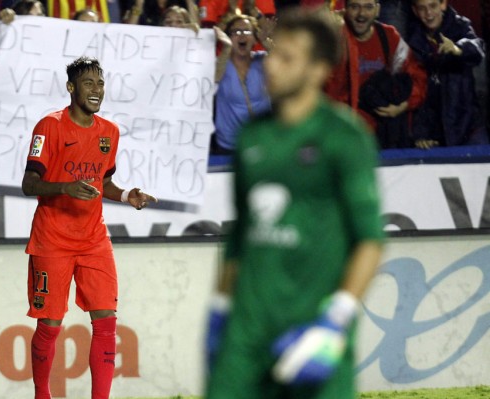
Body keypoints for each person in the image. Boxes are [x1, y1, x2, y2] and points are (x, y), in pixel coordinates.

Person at [205, 6, 384, 399]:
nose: (271, 66)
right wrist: (219, 310)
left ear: (319, 70)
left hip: (312, 333)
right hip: (246, 335)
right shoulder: (252, 138)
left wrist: (336, 321)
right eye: (273, 54)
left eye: (288, 58)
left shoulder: (345, 138)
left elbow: (370, 241)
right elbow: (241, 235)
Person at [21, 57, 157, 399]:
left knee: (107, 321)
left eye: (100, 84)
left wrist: (127, 194)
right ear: (71, 88)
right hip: (52, 240)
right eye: (88, 84)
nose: (96, 91)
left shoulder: (109, 133)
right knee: (50, 325)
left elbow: (103, 182)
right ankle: (42, 395)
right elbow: (28, 183)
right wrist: (65, 187)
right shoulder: (48, 127)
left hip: (94, 239)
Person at [325, 0, 427, 148]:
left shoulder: (389, 37)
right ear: (345, 9)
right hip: (342, 138)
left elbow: (418, 78)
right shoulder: (334, 39)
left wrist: (403, 106)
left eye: (368, 7)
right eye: (354, 7)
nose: (361, 14)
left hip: (383, 138)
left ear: (378, 10)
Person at [407, 0, 488, 148]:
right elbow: (418, 94)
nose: (429, 13)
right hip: (435, 134)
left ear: (443, 4)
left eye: (432, 6)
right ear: (414, 10)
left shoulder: (459, 26)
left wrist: (458, 50)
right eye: (422, 8)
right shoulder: (412, 40)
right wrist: (421, 135)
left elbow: (477, 48)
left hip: (469, 127)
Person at [211, 14, 271, 154]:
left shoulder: (264, 60)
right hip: (229, 147)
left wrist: (266, 41)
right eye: (236, 32)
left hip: (263, 142)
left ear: (255, 37)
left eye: (247, 31)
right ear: (228, 37)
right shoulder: (220, 63)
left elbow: (286, 64)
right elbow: (213, 79)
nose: (242, 36)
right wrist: (225, 48)